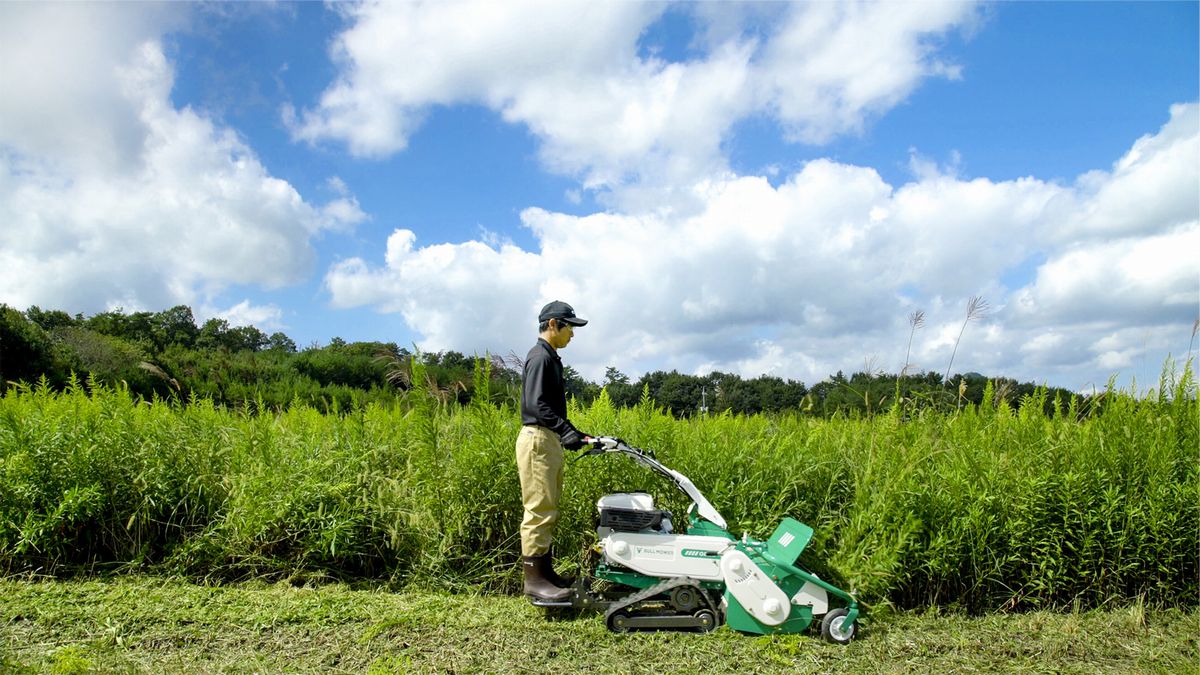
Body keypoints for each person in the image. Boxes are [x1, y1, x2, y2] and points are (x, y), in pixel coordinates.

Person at [516, 300, 593, 603]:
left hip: (547, 438)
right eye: (569, 327)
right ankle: (534, 582)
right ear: (552, 324)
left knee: (548, 509)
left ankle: (546, 575)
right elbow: (536, 405)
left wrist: (574, 432)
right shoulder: (540, 357)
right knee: (538, 510)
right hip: (538, 439)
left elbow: (548, 406)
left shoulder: (550, 357)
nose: (572, 334)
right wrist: (565, 430)